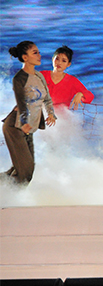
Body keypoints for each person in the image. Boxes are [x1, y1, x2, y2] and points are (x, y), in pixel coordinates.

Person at [2, 41, 57, 184]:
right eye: (35, 53)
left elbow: (47, 98)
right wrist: (24, 122)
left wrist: (51, 113)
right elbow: (21, 103)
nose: (39, 55)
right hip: (16, 125)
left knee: (24, 171)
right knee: (25, 172)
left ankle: (7, 194)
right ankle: (10, 198)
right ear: (25, 57)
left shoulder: (39, 76)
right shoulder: (19, 78)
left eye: (38, 52)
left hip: (29, 127)